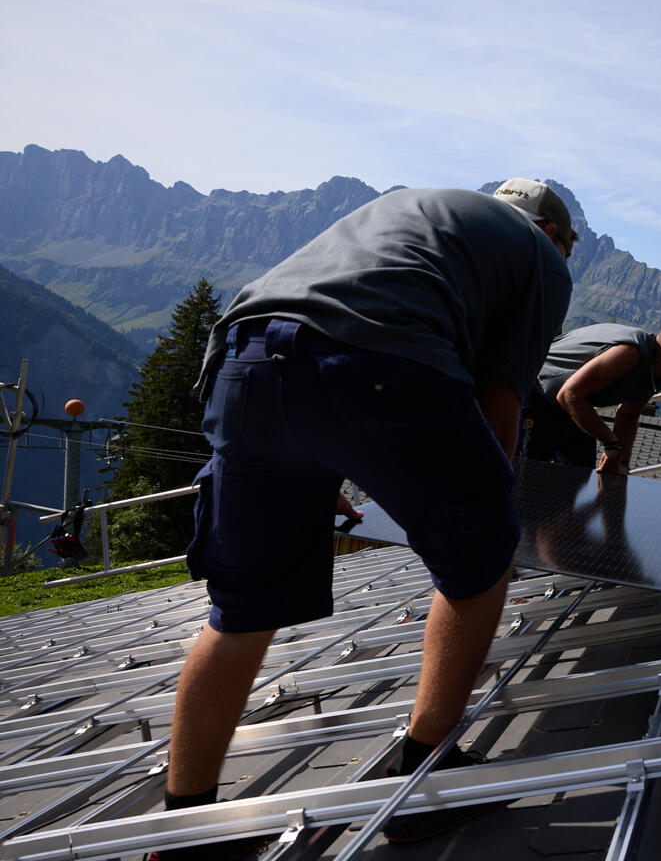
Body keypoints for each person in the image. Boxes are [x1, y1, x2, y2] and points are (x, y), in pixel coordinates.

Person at [150, 178, 576, 859]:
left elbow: (313, 338)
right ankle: (424, 774)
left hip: (243, 362)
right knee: (482, 559)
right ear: (553, 232)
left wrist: (310, 461)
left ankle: (185, 831)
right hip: (372, 365)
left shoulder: (418, 214)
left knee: (240, 611)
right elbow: (500, 401)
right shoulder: (539, 255)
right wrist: (486, 511)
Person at [521, 313, 661, 474]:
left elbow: (628, 415)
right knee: (523, 480)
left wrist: (621, 463)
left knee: (578, 480)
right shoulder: (629, 353)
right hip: (537, 395)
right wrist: (611, 443)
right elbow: (568, 395)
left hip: (576, 405)